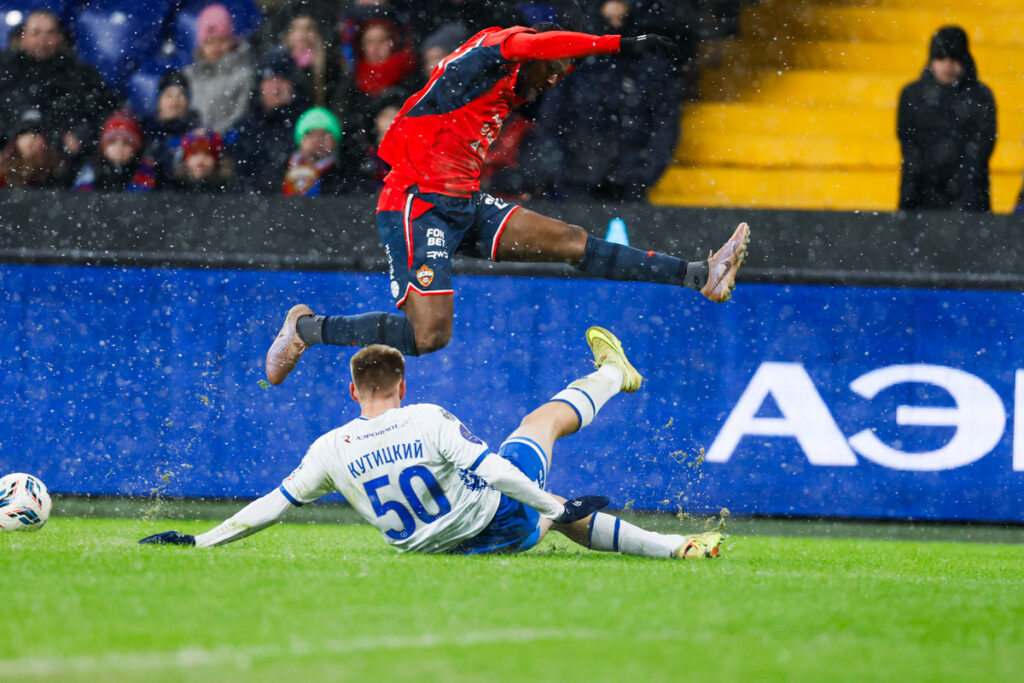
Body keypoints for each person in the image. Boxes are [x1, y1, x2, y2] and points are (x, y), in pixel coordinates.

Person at [265, 22, 750, 385]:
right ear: (537, 55)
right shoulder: (485, 56)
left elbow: (540, 57)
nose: (553, 80)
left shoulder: (504, 91)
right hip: (416, 205)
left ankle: (699, 275)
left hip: (462, 203)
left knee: (569, 241)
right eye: (553, 69)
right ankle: (306, 329)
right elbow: (533, 44)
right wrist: (616, 44)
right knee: (429, 337)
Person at [139, 328, 724, 560]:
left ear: (351, 390)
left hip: (433, 552)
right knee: (538, 426)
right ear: (402, 385)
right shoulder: (424, 417)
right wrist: (552, 505)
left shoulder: (329, 447)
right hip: (495, 526)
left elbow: (272, 506)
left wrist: (201, 540)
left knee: (554, 513)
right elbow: (492, 470)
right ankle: (612, 376)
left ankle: (672, 548)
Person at [0, 10, 119, 181]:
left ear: (60, 37)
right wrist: (16, 138)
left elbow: (103, 112)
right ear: (23, 36)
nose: (43, 39)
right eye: (36, 33)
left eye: (50, 33)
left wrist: (76, 136)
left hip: (64, 164)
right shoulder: (4, 70)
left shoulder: (81, 74)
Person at [897, 25, 996, 212]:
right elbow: (909, 146)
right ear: (931, 60)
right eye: (941, 57)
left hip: (968, 194)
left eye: (954, 58)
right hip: (921, 191)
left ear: (964, 60)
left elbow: (982, 148)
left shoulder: (980, 96)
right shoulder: (912, 95)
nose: (948, 65)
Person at [231, 49, 309, 194]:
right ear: (260, 86)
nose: (276, 87)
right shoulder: (245, 126)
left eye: (283, 80)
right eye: (270, 80)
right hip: (248, 205)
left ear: (293, 86)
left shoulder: (306, 125)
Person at [182, 4, 255, 133]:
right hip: (194, 144)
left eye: (221, 40)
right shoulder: (189, 76)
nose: (215, 47)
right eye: (209, 41)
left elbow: (240, 114)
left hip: (227, 143)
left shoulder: (243, 75)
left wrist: (213, 136)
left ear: (231, 41)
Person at [282, 106, 364, 196]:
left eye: (325, 134)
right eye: (310, 133)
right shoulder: (280, 170)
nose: (318, 139)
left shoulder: (349, 176)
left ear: (335, 140)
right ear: (300, 140)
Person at [140, 70, 202, 187]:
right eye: (169, 95)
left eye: (181, 96)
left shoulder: (197, 134)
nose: (174, 102)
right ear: (159, 100)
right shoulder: (143, 130)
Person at [71, 110, 157, 193]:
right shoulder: (92, 170)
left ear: (135, 149)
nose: (119, 148)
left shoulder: (146, 171)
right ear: (104, 148)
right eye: (112, 143)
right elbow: (81, 198)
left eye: (125, 143)